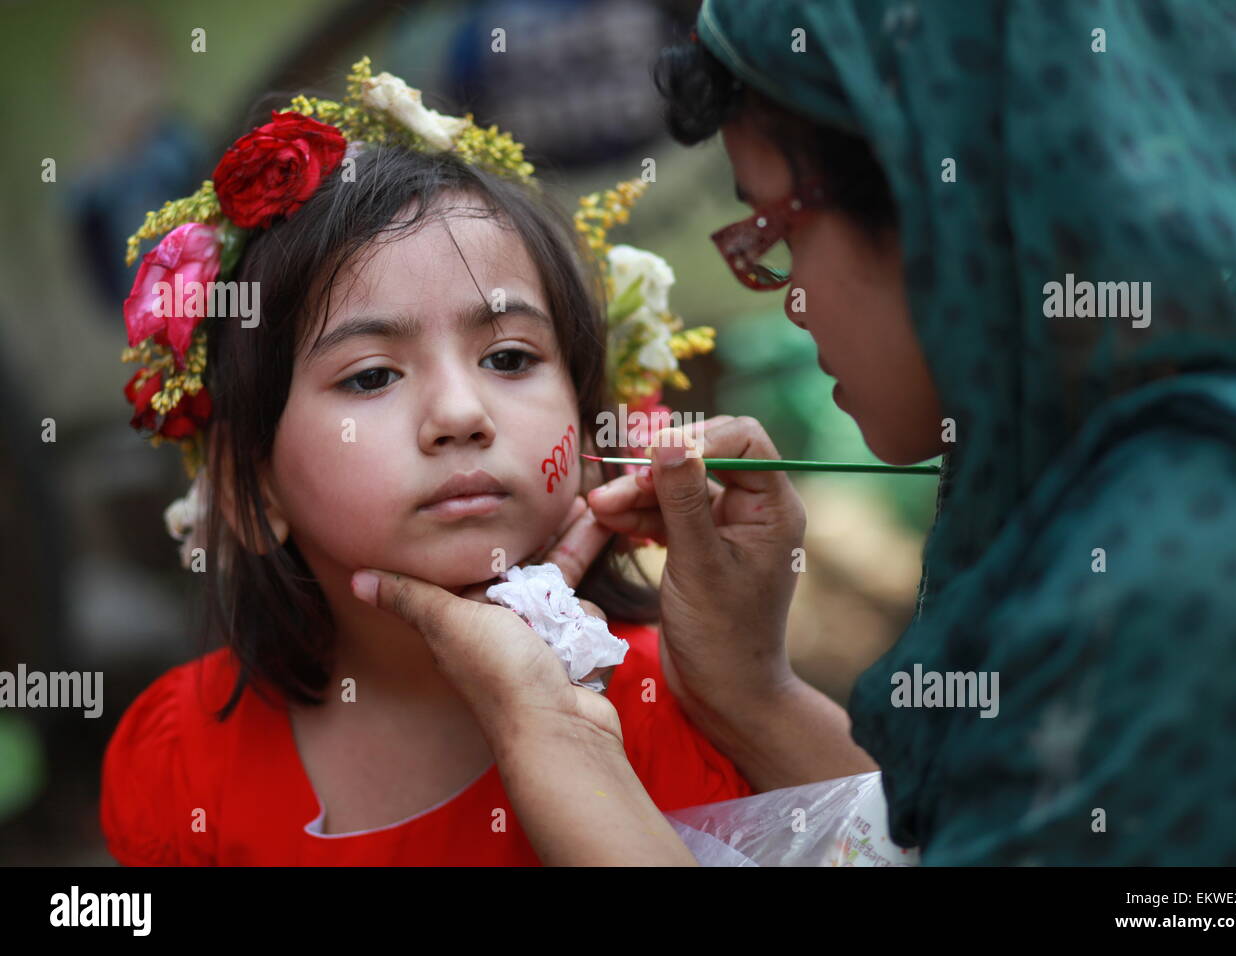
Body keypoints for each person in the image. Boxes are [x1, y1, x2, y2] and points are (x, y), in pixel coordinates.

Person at [361, 0, 1236, 864]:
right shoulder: (1162, 476)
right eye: (369, 376)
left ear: (946, 208)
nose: (795, 302)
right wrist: (749, 692)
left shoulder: (1183, 563)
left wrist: (548, 729)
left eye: (777, 232)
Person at [100, 64, 750, 866]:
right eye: (371, 375)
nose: (460, 415)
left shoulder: (684, 705)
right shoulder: (183, 758)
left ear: (590, 432)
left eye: (510, 358)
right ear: (254, 489)